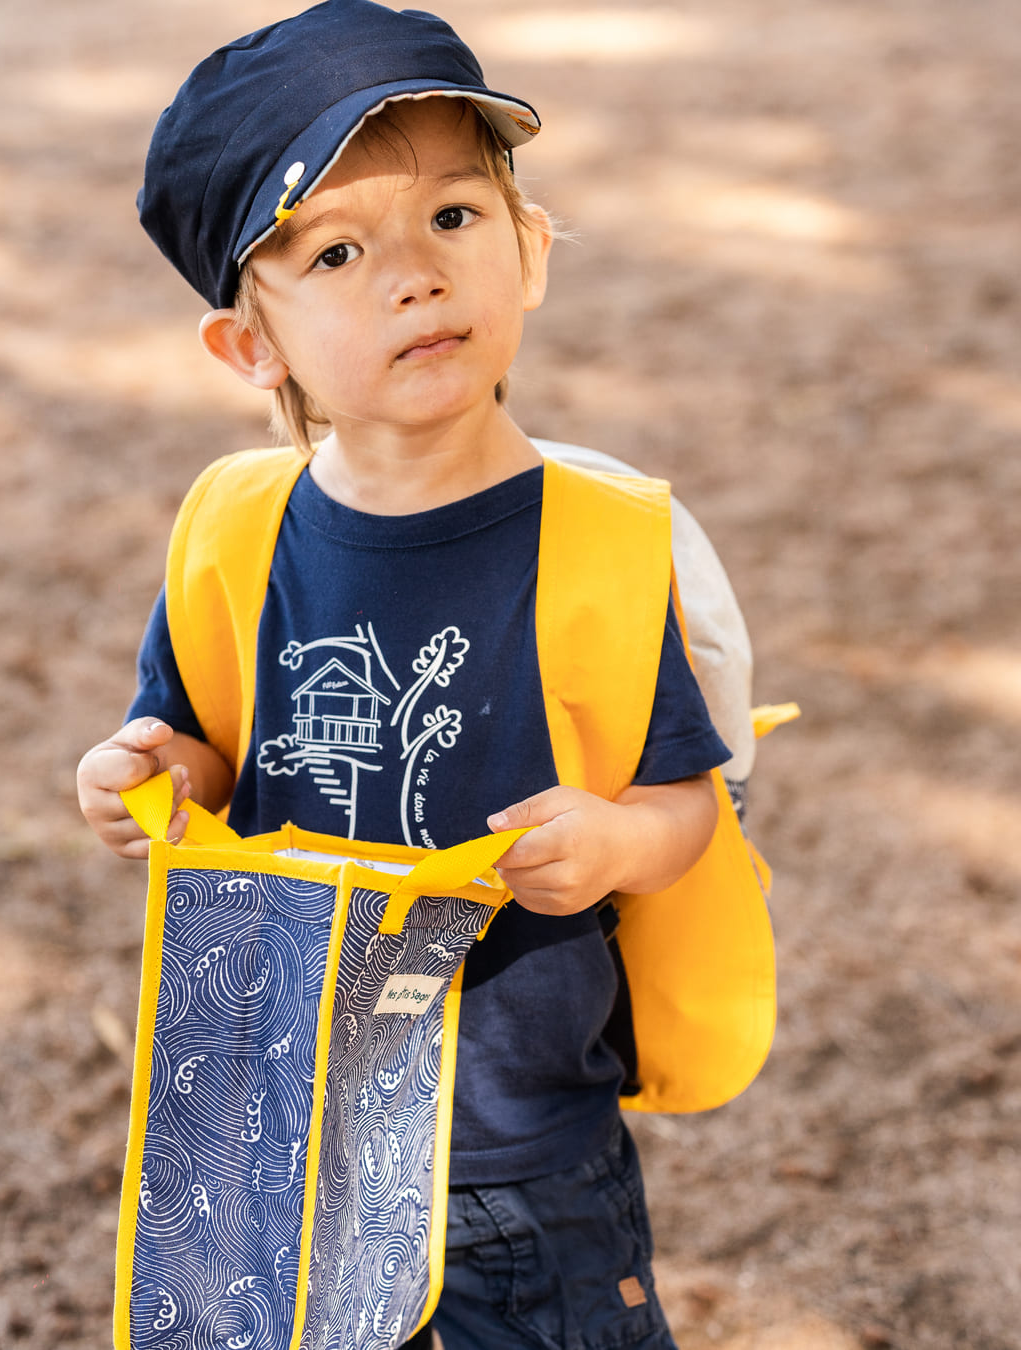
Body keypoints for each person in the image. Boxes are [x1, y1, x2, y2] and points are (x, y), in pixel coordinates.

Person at [77, 4, 736, 1346]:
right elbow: (206, 747)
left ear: (530, 249)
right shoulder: (238, 533)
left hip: (520, 1157)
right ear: (250, 346)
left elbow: (692, 807)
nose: (416, 275)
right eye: (335, 249)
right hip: (288, 1123)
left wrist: (616, 838)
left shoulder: (601, 546)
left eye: (452, 218)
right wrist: (151, 765)